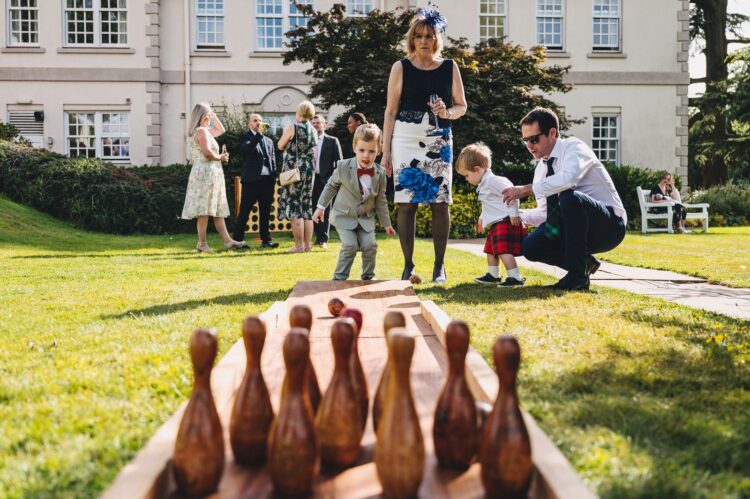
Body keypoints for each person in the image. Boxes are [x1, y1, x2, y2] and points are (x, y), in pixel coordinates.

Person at [382, 6, 467, 284]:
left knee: (440, 203)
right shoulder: (400, 67)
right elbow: (391, 111)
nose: (423, 41)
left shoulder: (449, 67)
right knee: (407, 204)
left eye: (429, 36)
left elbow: (461, 106)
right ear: (411, 40)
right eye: (418, 36)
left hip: (439, 139)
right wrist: (386, 152)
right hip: (405, 138)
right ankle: (408, 266)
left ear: (436, 39)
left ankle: (439, 266)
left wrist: (446, 113)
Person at [502, 107, 627, 291]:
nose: (529, 145)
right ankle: (583, 263)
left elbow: (569, 179)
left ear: (552, 133)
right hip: (575, 230)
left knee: (569, 197)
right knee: (530, 246)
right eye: (525, 140)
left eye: (534, 139)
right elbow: (545, 214)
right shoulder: (541, 170)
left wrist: (526, 190)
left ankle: (577, 278)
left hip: (609, 226)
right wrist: (513, 215)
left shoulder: (575, 148)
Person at [312, 124, 396, 280]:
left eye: (371, 151)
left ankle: (368, 277)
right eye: (362, 150)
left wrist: (387, 224)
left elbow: (381, 200)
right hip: (344, 216)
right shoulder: (343, 166)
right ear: (354, 147)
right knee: (350, 246)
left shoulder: (380, 173)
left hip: (365, 218)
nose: (366, 156)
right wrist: (320, 207)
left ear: (378, 150)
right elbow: (331, 186)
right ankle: (338, 279)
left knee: (370, 246)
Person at [455, 143, 526, 287]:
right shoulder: (484, 184)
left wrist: (514, 214)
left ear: (477, 169)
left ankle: (515, 277)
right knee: (491, 249)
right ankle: (493, 274)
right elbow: (489, 205)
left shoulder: (494, 181)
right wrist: (482, 218)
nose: (466, 179)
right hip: (496, 223)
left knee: (503, 250)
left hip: (505, 221)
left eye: (467, 175)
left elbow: (512, 194)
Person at [181, 102, 246, 253]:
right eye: (209, 114)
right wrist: (221, 157)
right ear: (203, 115)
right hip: (205, 173)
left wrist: (213, 114)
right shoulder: (201, 131)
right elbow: (207, 153)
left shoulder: (205, 131)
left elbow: (221, 129)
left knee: (216, 208)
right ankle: (202, 244)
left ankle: (228, 241)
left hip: (210, 173)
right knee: (204, 209)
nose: (211, 116)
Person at [232, 113, 279, 248]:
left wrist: (273, 176)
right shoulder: (245, 136)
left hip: (267, 181)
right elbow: (246, 150)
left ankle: (266, 241)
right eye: (255, 120)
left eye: (260, 120)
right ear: (249, 124)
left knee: (265, 212)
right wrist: (257, 135)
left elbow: (272, 160)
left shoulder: (269, 141)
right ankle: (238, 241)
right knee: (244, 211)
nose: (258, 122)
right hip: (251, 181)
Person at [277, 101, 317, 253]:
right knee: (307, 205)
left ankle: (299, 246)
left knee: (295, 206)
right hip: (309, 169)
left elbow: (280, 145)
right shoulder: (313, 129)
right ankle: (308, 245)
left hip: (294, 170)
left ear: (299, 112)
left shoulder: (292, 127)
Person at [311, 114, 343, 249]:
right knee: (312, 207)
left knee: (324, 208)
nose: (316, 124)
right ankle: (315, 237)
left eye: (319, 122)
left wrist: (335, 179)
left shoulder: (332, 141)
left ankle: (323, 239)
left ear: (324, 124)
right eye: (314, 123)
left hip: (326, 179)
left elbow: (340, 162)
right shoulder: (307, 141)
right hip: (310, 179)